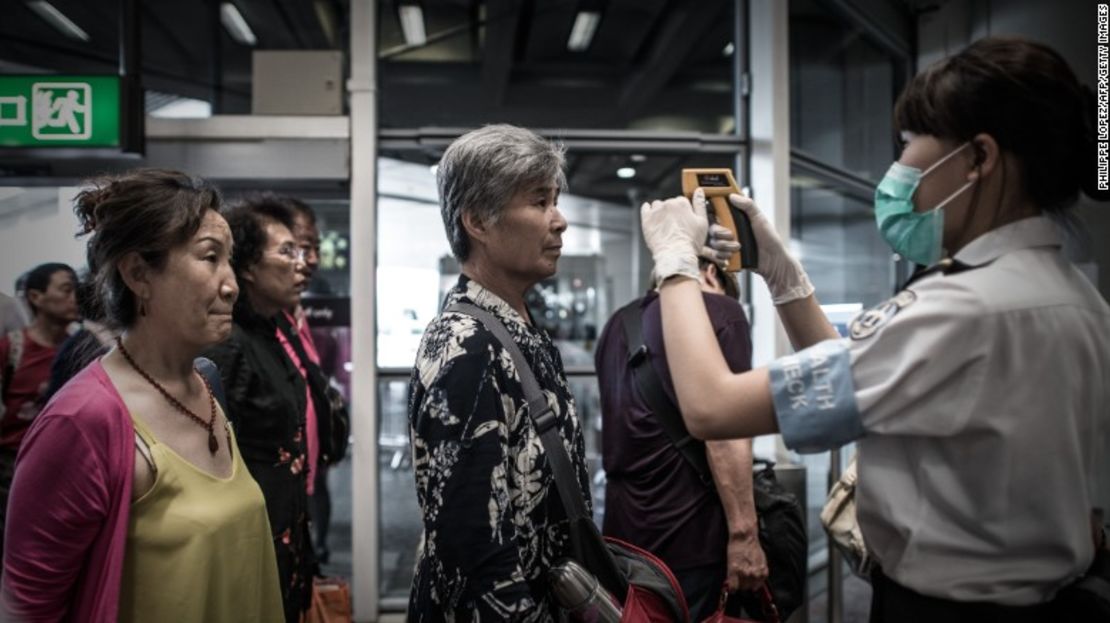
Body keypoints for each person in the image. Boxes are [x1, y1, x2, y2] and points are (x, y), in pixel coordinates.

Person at [639, 37, 1110, 622]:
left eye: (912, 143)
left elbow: (712, 407)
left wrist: (675, 263)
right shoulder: (1075, 299)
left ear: (978, 159)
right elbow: (868, 380)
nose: (900, 167)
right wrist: (784, 277)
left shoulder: (960, 310)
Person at [2, 169, 283, 621]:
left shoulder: (205, 385)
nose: (230, 285)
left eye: (229, 261)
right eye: (209, 258)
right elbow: (27, 605)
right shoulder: (82, 420)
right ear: (138, 274)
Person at [407, 124, 587, 621]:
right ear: (478, 223)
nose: (560, 220)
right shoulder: (464, 345)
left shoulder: (515, 328)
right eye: (538, 202)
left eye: (554, 199)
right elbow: (472, 546)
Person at [595, 256, 767, 621]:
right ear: (708, 272)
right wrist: (744, 536)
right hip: (692, 539)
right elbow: (726, 435)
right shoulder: (721, 311)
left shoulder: (616, 325)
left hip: (623, 540)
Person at [204, 196, 315, 622]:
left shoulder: (273, 332)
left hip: (286, 531)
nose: (300, 263)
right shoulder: (229, 344)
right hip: (251, 539)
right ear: (247, 266)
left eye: (301, 251)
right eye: (286, 251)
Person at [0, 262, 78, 560]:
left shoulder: (83, 346)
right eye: (65, 290)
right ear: (36, 297)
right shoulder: (12, 349)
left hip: (65, 472)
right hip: (12, 475)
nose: (74, 298)